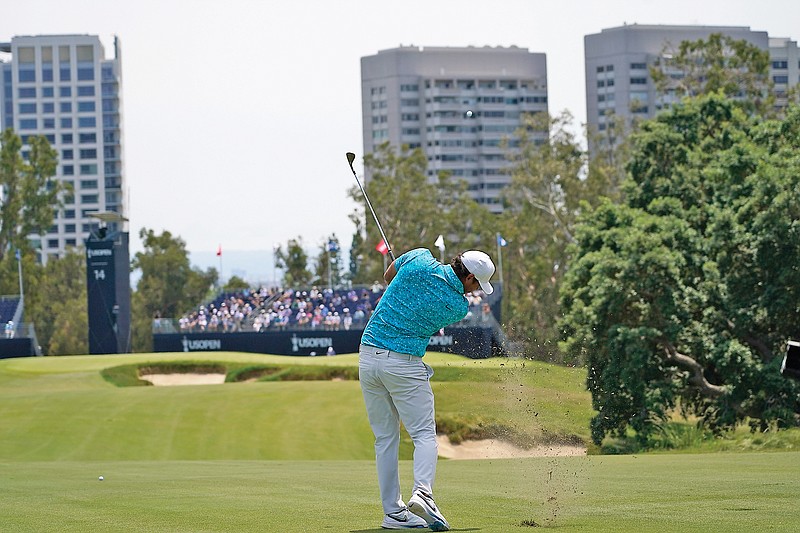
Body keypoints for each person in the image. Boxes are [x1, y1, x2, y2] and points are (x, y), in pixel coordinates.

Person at [359, 248, 496, 530]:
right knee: (423, 435)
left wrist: (409, 275)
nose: (474, 292)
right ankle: (423, 492)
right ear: (469, 276)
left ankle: (393, 514)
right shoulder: (457, 306)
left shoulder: (419, 257)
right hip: (403, 363)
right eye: (475, 285)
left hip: (367, 355)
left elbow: (388, 277)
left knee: (385, 439)